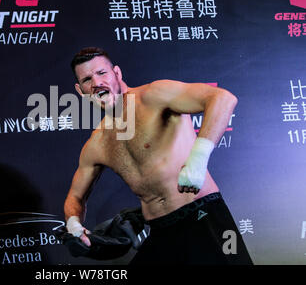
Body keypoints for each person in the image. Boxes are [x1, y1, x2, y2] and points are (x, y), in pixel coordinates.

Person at [63, 47, 253, 264]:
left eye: (102, 73)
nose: (96, 83)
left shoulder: (154, 95)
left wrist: (197, 160)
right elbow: (75, 198)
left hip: (203, 215)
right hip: (162, 231)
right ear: (80, 90)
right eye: (87, 79)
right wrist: (74, 225)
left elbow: (222, 99)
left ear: (117, 73)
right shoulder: (97, 143)